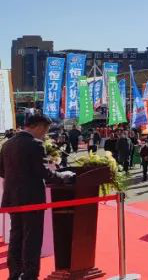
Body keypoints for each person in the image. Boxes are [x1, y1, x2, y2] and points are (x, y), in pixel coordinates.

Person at [0, 113, 75, 280]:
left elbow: (2, 171)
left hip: (12, 197)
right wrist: (64, 176)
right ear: (40, 127)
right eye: (46, 130)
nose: (45, 134)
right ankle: (30, 274)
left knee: (16, 236)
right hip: (32, 198)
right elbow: (45, 173)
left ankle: (14, 273)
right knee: (32, 237)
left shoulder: (7, 144)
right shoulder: (35, 144)